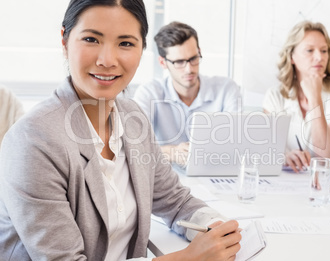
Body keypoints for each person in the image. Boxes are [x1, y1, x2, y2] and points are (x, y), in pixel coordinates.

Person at [0, 1, 241, 260]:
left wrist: (218, 229)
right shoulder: (33, 140)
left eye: (125, 43)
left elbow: (174, 201)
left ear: (142, 49)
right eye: (91, 39)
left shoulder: (133, 117)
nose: (107, 60)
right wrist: (191, 257)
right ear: (65, 40)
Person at [133, 21, 241, 166]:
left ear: (199, 52)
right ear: (163, 63)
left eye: (193, 59)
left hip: (213, 174)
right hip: (165, 178)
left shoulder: (226, 89)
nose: (189, 69)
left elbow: (239, 143)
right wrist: (171, 152)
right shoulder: (149, 92)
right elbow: (134, 148)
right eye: (179, 62)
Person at [263, 21, 330, 172]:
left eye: (324, 50)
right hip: (287, 183)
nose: (319, 57)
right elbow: (267, 150)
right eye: (309, 50)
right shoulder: (275, 96)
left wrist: (314, 98)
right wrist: (285, 156)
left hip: (329, 185)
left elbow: (326, 158)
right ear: (292, 56)